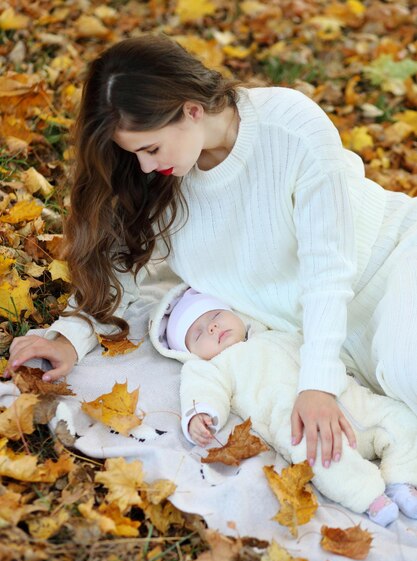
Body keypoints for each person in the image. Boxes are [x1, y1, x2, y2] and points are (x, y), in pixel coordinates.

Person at [6, 34, 417, 471]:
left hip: (393, 264)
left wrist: (318, 383)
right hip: (334, 343)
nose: (144, 165)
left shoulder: (290, 125)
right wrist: (72, 335)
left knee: (404, 366)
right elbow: (130, 273)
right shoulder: (164, 180)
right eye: (135, 153)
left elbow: (328, 267)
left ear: (191, 109)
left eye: (150, 148)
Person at [149, 283, 417, 527]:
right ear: (189, 353)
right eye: (198, 333)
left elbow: (318, 344)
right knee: (321, 455)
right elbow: (202, 389)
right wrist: (201, 413)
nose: (212, 327)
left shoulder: (271, 329)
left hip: (346, 397)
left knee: (399, 417)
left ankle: (400, 477)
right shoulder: (212, 366)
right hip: (295, 419)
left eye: (216, 316)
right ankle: (367, 495)